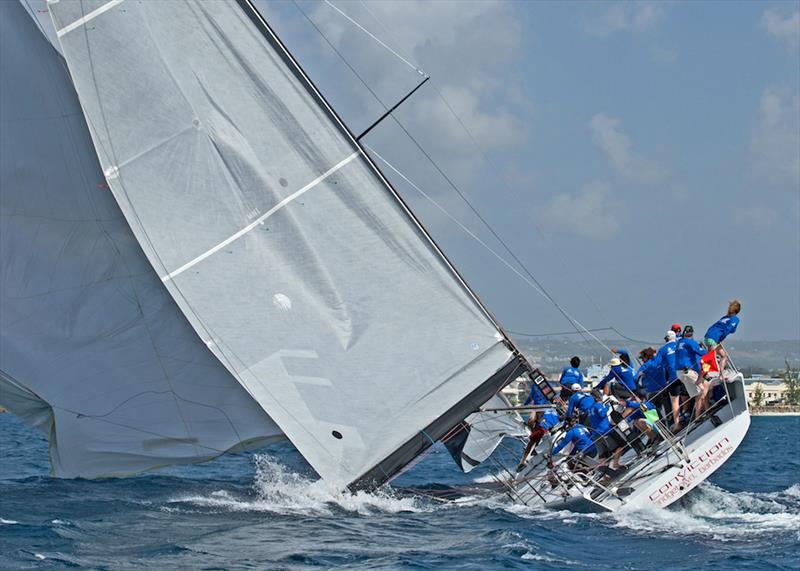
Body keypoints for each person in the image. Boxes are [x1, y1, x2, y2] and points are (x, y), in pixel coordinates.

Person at [675, 325, 708, 418]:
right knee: (701, 391)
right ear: (692, 334)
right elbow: (702, 352)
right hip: (687, 372)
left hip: (681, 373)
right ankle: (698, 417)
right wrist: (712, 351)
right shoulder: (691, 342)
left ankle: (705, 411)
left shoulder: (679, 342)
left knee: (704, 386)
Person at [652, 330, 681, 431]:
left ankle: (677, 423)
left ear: (666, 339)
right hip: (685, 373)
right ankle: (696, 412)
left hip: (673, 377)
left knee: (674, 400)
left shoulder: (663, 350)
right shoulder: (680, 343)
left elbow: (656, 364)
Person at [704, 300, 741, 376]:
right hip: (713, 338)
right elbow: (728, 329)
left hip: (708, 336)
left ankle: (721, 374)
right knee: (711, 357)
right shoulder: (735, 319)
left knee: (724, 356)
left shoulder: (725, 317)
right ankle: (705, 373)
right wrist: (721, 338)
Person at [517, 407, 559, 471]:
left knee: (530, 443)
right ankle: (532, 457)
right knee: (536, 441)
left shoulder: (545, 409)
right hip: (546, 431)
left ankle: (523, 462)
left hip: (541, 429)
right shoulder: (557, 416)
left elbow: (531, 420)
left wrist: (531, 428)